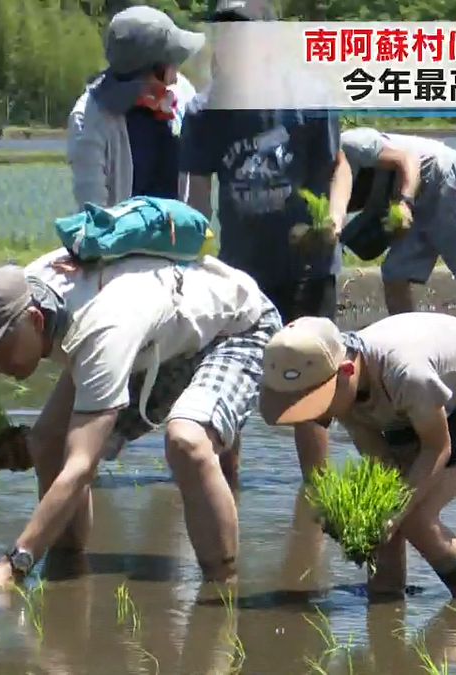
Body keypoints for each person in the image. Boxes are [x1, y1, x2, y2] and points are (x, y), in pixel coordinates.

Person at [0, 247, 283, 590]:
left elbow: (81, 467)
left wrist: (16, 562)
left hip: (235, 329)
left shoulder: (101, 328)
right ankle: (67, 570)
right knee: (47, 442)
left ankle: (222, 591)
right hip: (155, 339)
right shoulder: (25, 289)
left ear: (35, 320)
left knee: (186, 442)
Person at [180, 0, 352, 481]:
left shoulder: (308, 99)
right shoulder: (204, 110)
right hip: (240, 270)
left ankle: (318, 492)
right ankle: (224, 485)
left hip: (307, 264)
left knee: (311, 378)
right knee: (227, 377)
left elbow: (338, 166)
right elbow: (196, 195)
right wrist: (195, 259)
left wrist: (334, 220)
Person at [256, 312, 456, 603]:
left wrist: (397, 513)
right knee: (379, 505)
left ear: (346, 372)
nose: (317, 416)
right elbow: (382, 464)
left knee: (417, 518)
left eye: (318, 403)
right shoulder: (345, 390)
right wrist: (358, 518)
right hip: (407, 406)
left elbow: (436, 448)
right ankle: (385, 596)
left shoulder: (406, 375)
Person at [336, 127, 456, 334]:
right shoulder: (312, 184)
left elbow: (407, 160)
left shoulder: (350, 143)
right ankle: (410, 341)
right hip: (406, 197)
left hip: (442, 175)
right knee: (394, 274)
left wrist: (404, 202)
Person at [67, 6, 203, 207]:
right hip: (120, 236)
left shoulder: (183, 93)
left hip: (176, 233)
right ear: (156, 70)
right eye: (174, 61)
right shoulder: (88, 120)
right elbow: (94, 213)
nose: (176, 75)